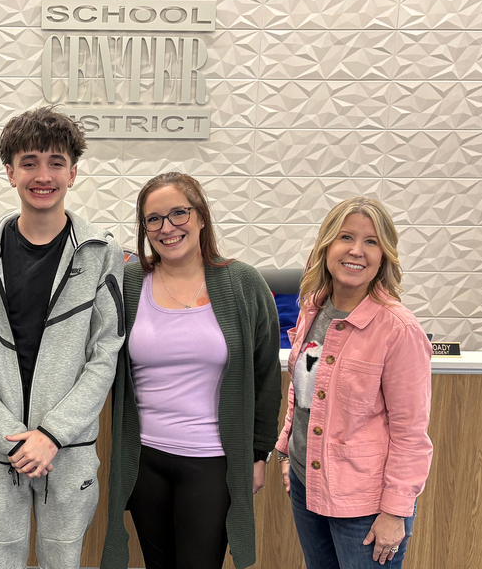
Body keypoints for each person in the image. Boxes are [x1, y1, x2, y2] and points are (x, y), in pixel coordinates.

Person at [0, 106, 125, 569]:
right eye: (29, 162)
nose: (42, 175)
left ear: (73, 171)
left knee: (62, 561)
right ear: (10, 172)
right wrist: (9, 439)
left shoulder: (103, 253)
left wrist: (51, 433)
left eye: (55, 162)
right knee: (1, 559)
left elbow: (105, 353)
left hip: (68, 451)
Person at [101, 172, 282, 569]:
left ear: (201, 217)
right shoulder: (130, 282)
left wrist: (256, 454)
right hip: (144, 459)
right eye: (154, 219)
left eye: (178, 213)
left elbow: (267, 375)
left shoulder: (242, 282)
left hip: (212, 462)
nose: (168, 228)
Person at [276, 197, 433, 569]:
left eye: (371, 242)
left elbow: (411, 433)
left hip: (364, 504)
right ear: (326, 246)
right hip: (305, 481)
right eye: (345, 237)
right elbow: (305, 390)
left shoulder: (398, 329)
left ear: (384, 256)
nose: (356, 250)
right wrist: (287, 450)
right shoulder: (314, 307)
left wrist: (396, 511)